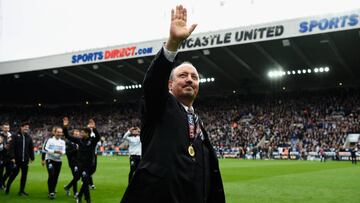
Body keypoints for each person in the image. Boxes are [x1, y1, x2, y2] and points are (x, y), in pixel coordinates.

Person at [121, 5, 225, 203]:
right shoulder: (160, 106)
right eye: (183, 75)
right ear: (169, 85)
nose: (189, 79)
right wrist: (173, 44)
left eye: (194, 77)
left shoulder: (197, 122)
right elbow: (153, 84)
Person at [63, 117, 100, 203]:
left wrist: (94, 128)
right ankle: (86, 199)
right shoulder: (79, 140)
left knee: (85, 182)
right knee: (85, 181)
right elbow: (68, 136)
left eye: (83, 132)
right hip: (81, 165)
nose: (81, 134)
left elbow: (98, 137)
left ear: (87, 133)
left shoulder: (92, 141)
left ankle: (80, 197)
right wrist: (65, 127)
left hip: (89, 165)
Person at [5, 122, 35, 196]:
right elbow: (11, 147)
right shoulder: (15, 136)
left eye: (27, 127)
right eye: (25, 127)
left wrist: (32, 157)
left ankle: (21, 191)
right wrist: (12, 157)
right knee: (14, 175)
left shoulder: (29, 137)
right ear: (21, 127)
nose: (26, 129)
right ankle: (7, 187)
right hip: (17, 160)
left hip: (25, 160)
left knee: (24, 176)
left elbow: (31, 148)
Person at [44, 126, 66, 199]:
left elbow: (64, 151)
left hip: (58, 161)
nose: (59, 133)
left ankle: (53, 189)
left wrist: (61, 153)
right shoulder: (49, 140)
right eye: (58, 132)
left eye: (60, 132)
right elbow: (44, 149)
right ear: (54, 132)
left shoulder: (62, 142)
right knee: (51, 174)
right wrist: (55, 151)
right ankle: (51, 192)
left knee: (56, 176)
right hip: (50, 159)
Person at [64, 129, 80, 198]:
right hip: (73, 163)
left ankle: (68, 187)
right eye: (75, 133)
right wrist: (76, 149)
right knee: (76, 177)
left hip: (80, 163)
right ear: (72, 135)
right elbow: (67, 153)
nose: (77, 134)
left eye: (77, 133)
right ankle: (75, 192)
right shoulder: (68, 142)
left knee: (77, 177)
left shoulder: (80, 141)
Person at [0, 123, 12, 190]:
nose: (6, 129)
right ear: (2, 128)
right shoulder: (0, 135)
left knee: (10, 170)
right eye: (5, 128)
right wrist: (2, 144)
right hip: (1, 155)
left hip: (8, 156)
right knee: (1, 172)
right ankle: (2, 184)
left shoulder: (11, 135)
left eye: (7, 128)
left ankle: (2, 182)